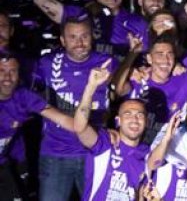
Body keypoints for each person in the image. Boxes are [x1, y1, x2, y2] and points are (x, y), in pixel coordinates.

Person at [31, 13, 114, 200]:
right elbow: (30, 98)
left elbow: (125, 90)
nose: (80, 42)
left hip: (94, 153)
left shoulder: (106, 62)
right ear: (62, 40)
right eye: (73, 37)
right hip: (56, 153)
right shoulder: (46, 64)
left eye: (84, 36)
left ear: (92, 37)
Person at [0, 53, 75, 199]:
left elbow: (64, 120)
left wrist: (101, 133)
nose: (7, 77)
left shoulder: (23, 97)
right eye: (1, 71)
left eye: (12, 71)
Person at [72, 61, 151, 201]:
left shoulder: (148, 154)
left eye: (140, 115)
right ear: (118, 121)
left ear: (146, 123)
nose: (134, 119)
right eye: (128, 114)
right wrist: (91, 87)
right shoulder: (105, 142)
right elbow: (80, 127)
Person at [114, 33, 187, 140]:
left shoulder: (186, 81)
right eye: (160, 54)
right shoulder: (139, 78)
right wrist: (132, 54)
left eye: (169, 54)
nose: (165, 60)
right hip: (132, 144)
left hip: (167, 146)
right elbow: (118, 89)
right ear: (149, 59)